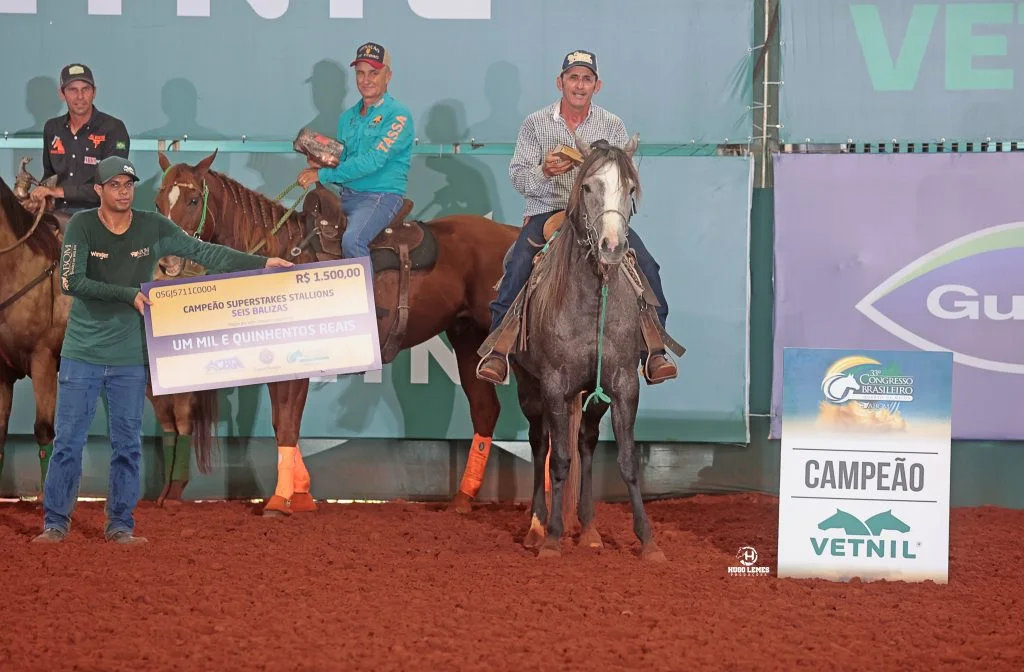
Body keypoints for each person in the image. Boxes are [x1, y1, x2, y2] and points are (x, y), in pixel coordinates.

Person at [32, 156, 294, 545]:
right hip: (82, 354)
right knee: (68, 443)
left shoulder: (153, 226)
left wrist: (261, 262)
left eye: (128, 184)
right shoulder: (83, 227)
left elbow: (207, 253)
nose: (123, 191)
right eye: (114, 185)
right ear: (99, 191)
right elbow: (72, 282)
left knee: (127, 445)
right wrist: (129, 296)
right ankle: (55, 522)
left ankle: (120, 524)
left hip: (129, 357)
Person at [476, 49, 677, 385]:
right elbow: (518, 176)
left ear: (597, 86)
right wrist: (544, 171)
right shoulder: (535, 124)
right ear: (561, 82)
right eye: (573, 78)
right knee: (519, 260)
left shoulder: (612, 125)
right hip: (549, 211)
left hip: (598, 215)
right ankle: (500, 346)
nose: (579, 85)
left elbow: (621, 177)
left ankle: (654, 350)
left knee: (647, 264)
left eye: (587, 79)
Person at [296, 42, 414, 259]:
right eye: (360, 73)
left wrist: (321, 174)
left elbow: (372, 162)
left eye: (373, 73)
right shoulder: (347, 118)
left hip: (381, 196)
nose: (366, 80)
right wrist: (323, 162)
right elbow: (346, 161)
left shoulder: (398, 116)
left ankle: (365, 294)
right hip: (347, 195)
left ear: (388, 76)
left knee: (353, 241)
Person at [28, 63, 130, 216]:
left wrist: (58, 192)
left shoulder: (113, 129)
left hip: (99, 216)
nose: (80, 96)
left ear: (94, 92)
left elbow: (112, 185)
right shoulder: (52, 128)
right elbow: (49, 176)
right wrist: (40, 196)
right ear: (62, 94)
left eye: (85, 89)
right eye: (72, 90)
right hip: (57, 214)